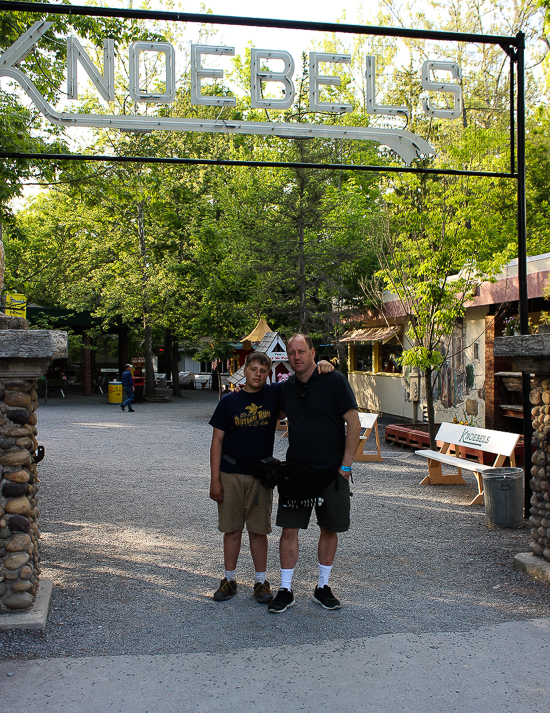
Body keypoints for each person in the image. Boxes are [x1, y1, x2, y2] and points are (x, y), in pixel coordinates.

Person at [208, 351, 334, 604]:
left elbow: (301, 376)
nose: (258, 374)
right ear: (244, 370)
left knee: (258, 531)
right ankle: (229, 578)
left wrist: (321, 362)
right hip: (230, 472)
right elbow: (217, 441)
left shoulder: (273, 394)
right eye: (253, 369)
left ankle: (261, 581)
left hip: (259, 475)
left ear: (269, 374)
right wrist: (214, 479)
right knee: (232, 530)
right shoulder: (228, 402)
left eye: (263, 370)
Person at [267, 333, 361, 614]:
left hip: (332, 472)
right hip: (296, 471)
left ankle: (323, 586)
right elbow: (270, 411)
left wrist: (346, 466)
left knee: (330, 528)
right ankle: (285, 589)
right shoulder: (286, 388)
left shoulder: (334, 380)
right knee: (289, 530)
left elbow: (353, 422)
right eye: (291, 353)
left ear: (312, 352)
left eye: (302, 351)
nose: (297, 357)